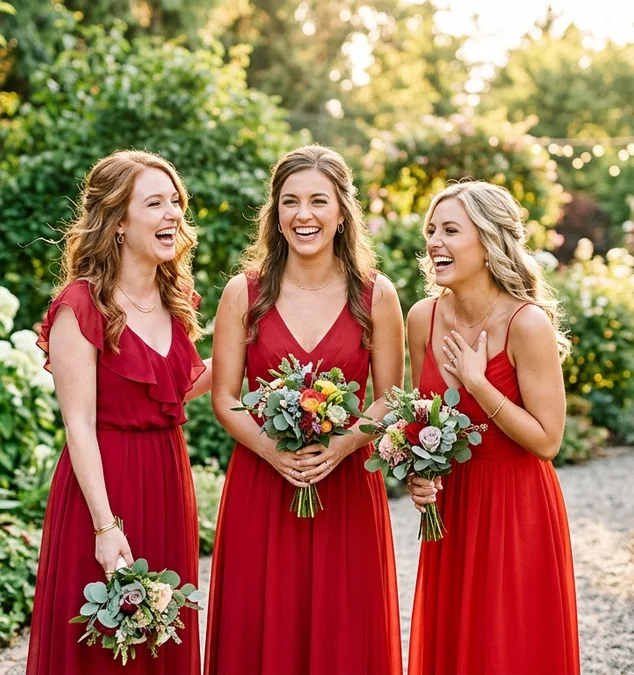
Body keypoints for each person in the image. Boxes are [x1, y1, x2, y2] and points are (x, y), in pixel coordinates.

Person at [203, 145, 404, 674]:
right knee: (260, 624)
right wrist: (273, 451)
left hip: (347, 485)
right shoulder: (243, 294)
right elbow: (225, 397)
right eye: (289, 201)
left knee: (345, 627)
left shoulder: (375, 295)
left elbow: (391, 397)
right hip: (262, 484)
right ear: (275, 213)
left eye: (319, 200)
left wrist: (341, 446)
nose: (303, 215)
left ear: (342, 212)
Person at [26, 150, 211, 675]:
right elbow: (78, 423)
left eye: (175, 201)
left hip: (168, 480)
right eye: (155, 203)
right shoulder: (79, 305)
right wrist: (106, 528)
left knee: (163, 635)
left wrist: (253, 348)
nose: (173, 213)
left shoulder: (174, 298)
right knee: (104, 649)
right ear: (119, 223)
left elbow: (177, 387)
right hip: (103, 490)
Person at [406, 180, 579, 674]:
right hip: (451, 510)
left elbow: (548, 440)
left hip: (515, 509)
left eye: (450, 230)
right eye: (432, 230)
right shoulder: (423, 318)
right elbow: (421, 418)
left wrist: (479, 384)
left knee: (509, 646)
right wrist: (418, 470)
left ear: (487, 242)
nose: (435, 241)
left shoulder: (527, 324)